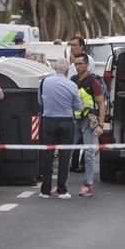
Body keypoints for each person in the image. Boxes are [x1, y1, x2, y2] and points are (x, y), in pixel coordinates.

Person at [38, 58, 83, 200]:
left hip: (48, 121)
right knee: (65, 157)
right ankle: (62, 190)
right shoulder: (72, 85)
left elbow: (40, 101)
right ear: (68, 70)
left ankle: (45, 190)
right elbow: (78, 107)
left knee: (47, 156)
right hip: (66, 122)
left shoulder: (44, 82)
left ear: (54, 68)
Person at [70, 54, 106, 197]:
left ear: (87, 65)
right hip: (74, 119)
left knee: (89, 153)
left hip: (88, 120)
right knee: (67, 151)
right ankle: (61, 185)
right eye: (76, 64)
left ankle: (88, 185)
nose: (78, 67)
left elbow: (101, 104)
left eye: (80, 64)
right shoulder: (72, 80)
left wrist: (101, 125)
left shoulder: (94, 81)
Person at [67, 35, 94, 172]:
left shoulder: (88, 61)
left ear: (82, 47)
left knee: (85, 141)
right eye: (70, 45)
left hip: (85, 111)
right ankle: (73, 163)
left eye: (75, 45)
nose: (72, 47)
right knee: (73, 140)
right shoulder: (70, 64)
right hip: (73, 111)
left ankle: (84, 164)